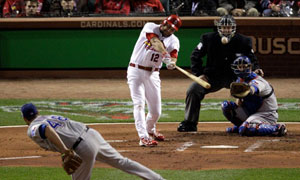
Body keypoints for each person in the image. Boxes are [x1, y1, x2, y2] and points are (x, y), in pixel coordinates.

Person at [21, 103, 165, 180]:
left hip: (82, 148)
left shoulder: (32, 127)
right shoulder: (50, 116)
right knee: (122, 162)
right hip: (92, 135)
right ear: (37, 112)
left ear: (24, 118)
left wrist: (65, 151)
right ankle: (156, 179)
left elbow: (45, 129)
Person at [177, 15, 264, 132]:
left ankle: (250, 122)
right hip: (212, 77)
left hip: (236, 77)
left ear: (234, 28)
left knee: (251, 92)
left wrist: (256, 68)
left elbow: (252, 58)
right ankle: (189, 122)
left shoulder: (243, 41)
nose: (226, 30)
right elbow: (195, 56)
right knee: (193, 90)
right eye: (224, 27)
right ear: (219, 28)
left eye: (229, 27)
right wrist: (199, 75)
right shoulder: (208, 38)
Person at [127, 15, 181, 146]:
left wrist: (171, 63)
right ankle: (143, 137)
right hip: (136, 71)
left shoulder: (174, 41)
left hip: (153, 74)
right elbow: (155, 42)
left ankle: (150, 130)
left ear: (173, 31)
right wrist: (165, 55)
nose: (167, 28)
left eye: (171, 28)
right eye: (167, 24)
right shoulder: (150, 27)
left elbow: (174, 56)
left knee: (156, 111)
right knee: (139, 104)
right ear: (164, 22)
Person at [222, 56, 287, 136]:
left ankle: (277, 128)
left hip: (266, 114)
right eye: (240, 67)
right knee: (226, 106)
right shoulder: (240, 80)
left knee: (245, 129)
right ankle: (242, 125)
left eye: (244, 66)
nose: (241, 69)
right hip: (252, 112)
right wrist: (238, 98)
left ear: (249, 67)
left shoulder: (258, 81)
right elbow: (239, 104)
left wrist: (248, 90)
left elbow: (253, 89)